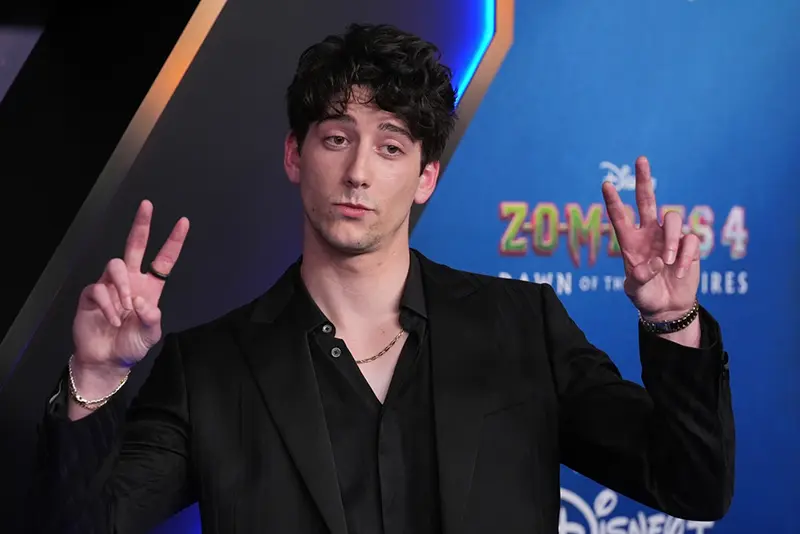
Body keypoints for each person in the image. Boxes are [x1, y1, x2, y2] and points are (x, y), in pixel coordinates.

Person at [31, 22, 734, 534]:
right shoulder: (209, 367)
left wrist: (672, 322)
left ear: (426, 176)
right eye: (336, 138)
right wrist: (95, 380)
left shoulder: (522, 327)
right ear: (294, 154)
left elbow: (692, 485)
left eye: (391, 146)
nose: (359, 171)